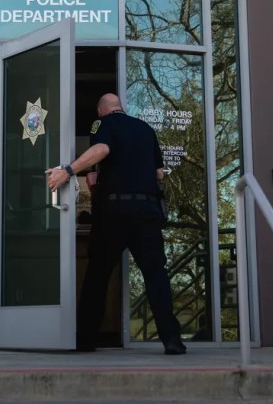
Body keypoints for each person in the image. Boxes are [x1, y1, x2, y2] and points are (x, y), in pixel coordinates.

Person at [47, 93, 186, 355]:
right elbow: (159, 173)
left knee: (98, 274)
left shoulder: (103, 125)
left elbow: (101, 150)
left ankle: (86, 339)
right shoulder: (146, 128)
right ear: (120, 107)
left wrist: (68, 170)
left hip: (115, 210)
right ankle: (172, 340)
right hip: (147, 210)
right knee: (156, 275)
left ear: (101, 111)